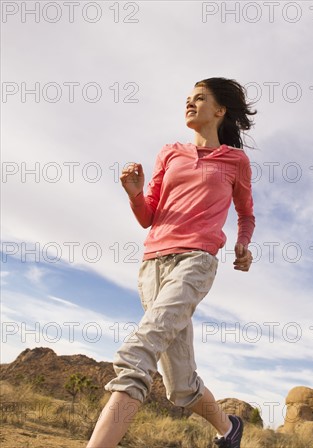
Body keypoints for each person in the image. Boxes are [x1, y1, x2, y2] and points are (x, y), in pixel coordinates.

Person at [87, 77, 257, 448]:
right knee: (179, 384)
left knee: (139, 352)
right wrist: (134, 195)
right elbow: (149, 215)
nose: (190, 104)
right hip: (153, 264)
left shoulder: (235, 161)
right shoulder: (170, 153)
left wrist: (243, 245)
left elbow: (246, 214)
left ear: (219, 110)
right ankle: (229, 430)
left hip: (196, 261)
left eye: (199, 99)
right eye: (188, 99)